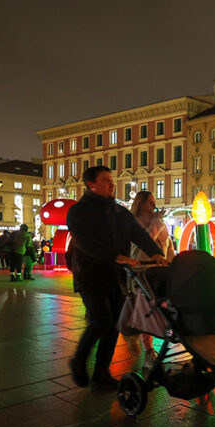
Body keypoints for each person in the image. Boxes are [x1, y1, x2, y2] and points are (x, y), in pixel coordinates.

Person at [66, 166, 166, 391]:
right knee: (101, 319)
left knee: (113, 324)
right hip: (90, 275)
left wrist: (155, 252)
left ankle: (102, 372)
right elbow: (84, 242)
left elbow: (137, 234)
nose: (112, 184)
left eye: (112, 180)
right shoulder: (78, 211)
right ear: (91, 184)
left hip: (116, 275)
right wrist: (116, 256)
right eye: (106, 180)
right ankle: (79, 360)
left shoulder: (118, 211)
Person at [126, 190, 176, 368]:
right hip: (141, 269)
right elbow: (147, 240)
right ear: (141, 203)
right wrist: (156, 221)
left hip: (160, 270)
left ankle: (156, 342)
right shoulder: (135, 222)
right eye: (150, 202)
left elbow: (167, 245)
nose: (154, 205)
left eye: (154, 201)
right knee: (145, 307)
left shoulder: (158, 221)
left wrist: (172, 261)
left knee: (161, 306)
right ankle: (148, 349)